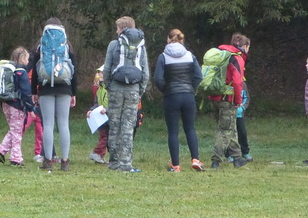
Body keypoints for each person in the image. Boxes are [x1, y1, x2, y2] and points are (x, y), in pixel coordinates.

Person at [102, 16, 149, 173]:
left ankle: (114, 161)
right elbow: (145, 72)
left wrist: (109, 86)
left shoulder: (114, 45)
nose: (116, 31)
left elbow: (107, 69)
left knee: (114, 125)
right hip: (133, 89)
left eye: (117, 28)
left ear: (122, 29)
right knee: (128, 126)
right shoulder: (141, 46)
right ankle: (126, 163)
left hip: (116, 88)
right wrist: (140, 90)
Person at [154, 28, 204, 172]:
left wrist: (166, 90)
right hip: (188, 95)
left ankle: (175, 165)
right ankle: (196, 159)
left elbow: (158, 79)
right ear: (181, 40)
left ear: (168, 39)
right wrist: (191, 88)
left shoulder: (163, 57)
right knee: (190, 128)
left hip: (172, 96)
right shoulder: (190, 55)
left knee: (173, 131)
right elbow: (199, 76)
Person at [31, 18, 77, 171]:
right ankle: (65, 161)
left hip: (45, 88)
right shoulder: (67, 46)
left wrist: (34, 91)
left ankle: (48, 161)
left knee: (48, 124)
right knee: (64, 124)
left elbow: (35, 70)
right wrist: (73, 93)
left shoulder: (41, 47)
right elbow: (74, 71)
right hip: (65, 87)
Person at [208, 33, 250, 169]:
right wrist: (238, 100)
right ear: (245, 46)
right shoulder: (236, 58)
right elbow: (237, 82)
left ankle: (237, 158)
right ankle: (216, 160)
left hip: (214, 96)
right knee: (225, 130)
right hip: (227, 99)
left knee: (231, 128)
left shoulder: (221, 54)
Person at [0, 47, 34, 167]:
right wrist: (30, 108)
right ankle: (16, 159)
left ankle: (1, 150)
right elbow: (26, 92)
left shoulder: (9, 70)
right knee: (17, 132)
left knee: (14, 129)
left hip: (5, 103)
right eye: (27, 58)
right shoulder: (22, 72)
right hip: (17, 105)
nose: (28, 61)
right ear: (22, 58)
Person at [88, 65, 109, 164]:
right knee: (103, 136)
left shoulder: (110, 89)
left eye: (102, 72)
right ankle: (98, 154)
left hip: (110, 116)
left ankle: (98, 154)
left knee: (108, 137)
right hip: (101, 117)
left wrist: (107, 109)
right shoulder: (99, 89)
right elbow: (96, 103)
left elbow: (115, 103)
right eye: (99, 72)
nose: (99, 74)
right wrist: (91, 110)